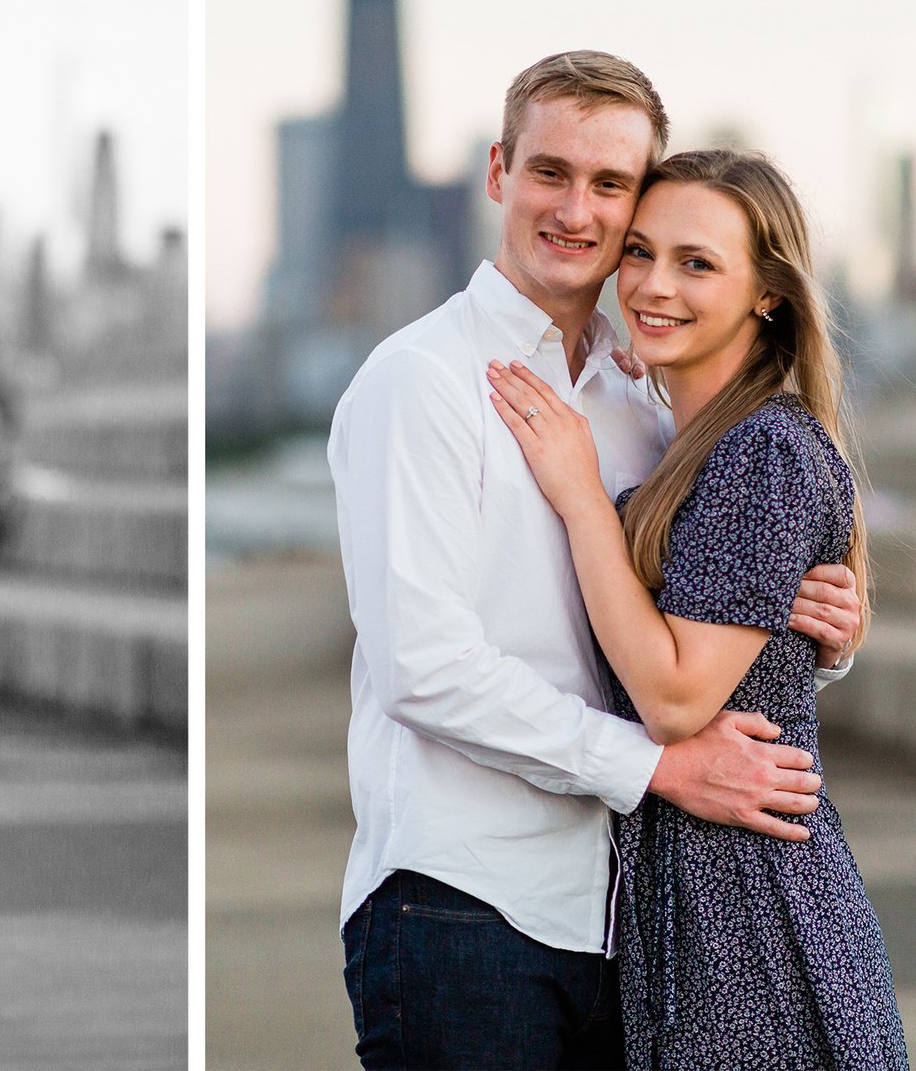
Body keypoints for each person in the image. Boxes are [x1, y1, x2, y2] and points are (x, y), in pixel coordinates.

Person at [329, 52, 867, 1069]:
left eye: (609, 184)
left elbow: (691, 610)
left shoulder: (637, 402)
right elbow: (423, 666)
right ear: (497, 172)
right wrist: (659, 766)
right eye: (549, 172)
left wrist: (808, 622)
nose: (576, 209)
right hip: (461, 907)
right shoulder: (420, 381)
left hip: (624, 923)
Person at [488, 149, 906, 1068]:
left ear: (769, 296)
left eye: (698, 263)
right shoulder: (686, 442)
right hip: (691, 902)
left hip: (751, 910)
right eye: (639, 253)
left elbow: (677, 700)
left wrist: (583, 499)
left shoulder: (761, 452)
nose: (651, 285)